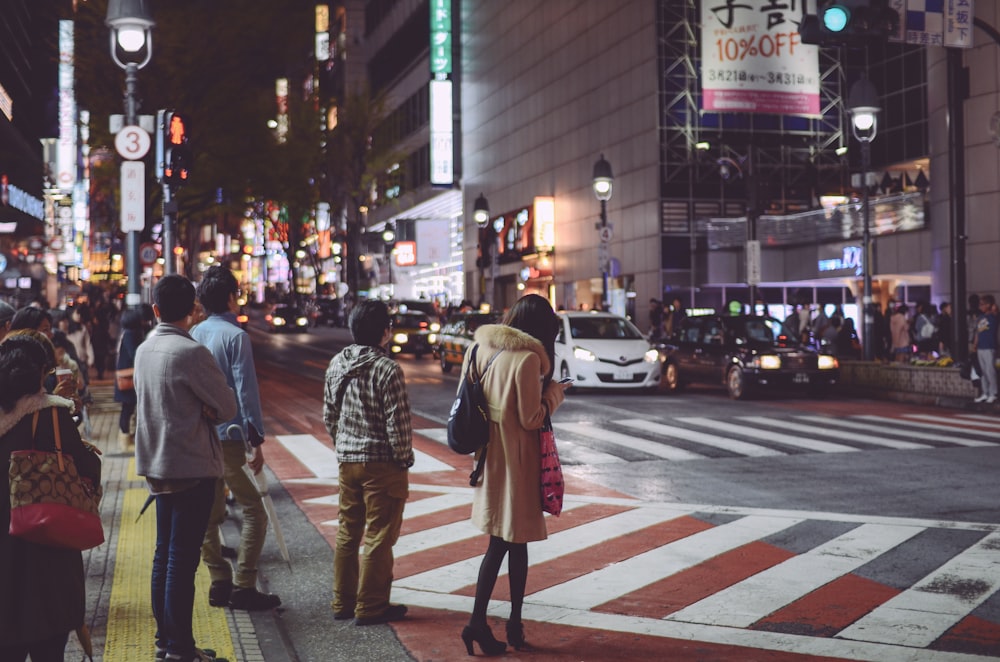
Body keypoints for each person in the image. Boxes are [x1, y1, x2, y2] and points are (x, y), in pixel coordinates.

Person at [134, 275, 237, 662]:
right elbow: (226, 407)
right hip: (191, 467)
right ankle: (180, 648)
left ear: (156, 309)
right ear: (193, 308)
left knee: (163, 556)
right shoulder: (191, 353)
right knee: (182, 560)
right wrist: (206, 409)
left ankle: (166, 641)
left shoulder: (146, 349)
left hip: (157, 466)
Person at [462, 294, 570, 655]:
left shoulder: (479, 349)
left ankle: (513, 623)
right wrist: (554, 393)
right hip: (517, 464)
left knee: (512, 540)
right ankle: (480, 622)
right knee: (504, 542)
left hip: (490, 458)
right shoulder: (526, 360)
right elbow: (531, 418)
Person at [0, 333, 102, 662]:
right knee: (48, 651)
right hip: (47, 556)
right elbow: (89, 470)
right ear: (41, 373)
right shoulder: (53, 416)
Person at [191, 266, 281, 611]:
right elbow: (246, 391)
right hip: (228, 437)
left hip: (201, 437)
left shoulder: (196, 332)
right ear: (231, 297)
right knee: (255, 512)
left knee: (208, 514)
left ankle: (218, 579)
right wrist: (255, 438)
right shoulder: (235, 336)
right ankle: (244, 583)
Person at [323, 299, 413, 626]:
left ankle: (342, 601)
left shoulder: (336, 364)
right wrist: (404, 459)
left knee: (348, 532)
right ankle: (371, 606)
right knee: (378, 535)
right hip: (382, 465)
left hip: (348, 462)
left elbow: (329, 415)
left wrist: (345, 446)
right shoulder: (387, 369)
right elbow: (398, 424)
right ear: (385, 332)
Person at [114, 309, 144, 452]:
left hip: (126, 376)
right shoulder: (131, 334)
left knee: (127, 409)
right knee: (127, 409)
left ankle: (126, 438)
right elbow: (135, 355)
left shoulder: (125, 332)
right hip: (128, 378)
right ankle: (124, 441)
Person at [972, 294, 998, 404]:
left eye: (982, 304)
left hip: (989, 347)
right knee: (982, 371)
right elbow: (978, 332)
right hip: (981, 347)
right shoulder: (980, 318)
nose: (980, 307)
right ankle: (985, 392)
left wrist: (994, 307)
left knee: (990, 370)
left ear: (988, 305)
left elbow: (997, 312)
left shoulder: (993, 317)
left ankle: (993, 393)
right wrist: (975, 344)